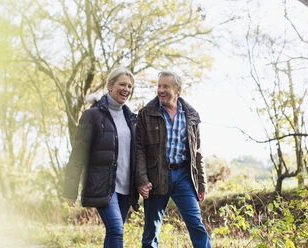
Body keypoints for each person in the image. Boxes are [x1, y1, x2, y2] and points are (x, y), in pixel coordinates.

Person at [63, 67, 139, 248]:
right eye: (122, 84)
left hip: (126, 187)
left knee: (114, 231)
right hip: (103, 185)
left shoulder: (131, 118)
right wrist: (69, 189)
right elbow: (78, 154)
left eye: (129, 86)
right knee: (116, 229)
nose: (126, 89)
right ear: (110, 86)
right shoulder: (92, 115)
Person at [135, 70, 211, 248]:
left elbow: (197, 152)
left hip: (184, 176)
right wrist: (142, 180)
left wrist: (202, 183)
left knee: (196, 224)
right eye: (159, 86)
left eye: (165, 86)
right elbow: (139, 150)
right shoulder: (146, 114)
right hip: (156, 176)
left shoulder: (191, 115)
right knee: (151, 230)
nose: (160, 90)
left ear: (178, 90)